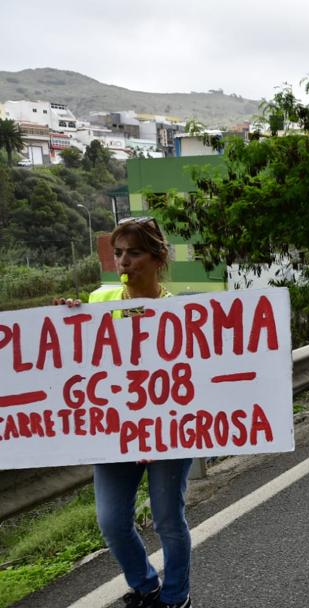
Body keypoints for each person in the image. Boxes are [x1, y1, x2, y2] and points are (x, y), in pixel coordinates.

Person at [55, 217, 192, 608]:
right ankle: (145, 586)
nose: (124, 262)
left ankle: (176, 596)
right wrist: (65, 316)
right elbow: (71, 351)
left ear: (157, 257)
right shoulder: (99, 301)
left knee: (167, 519)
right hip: (113, 432)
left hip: (167, 433)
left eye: (134, 253)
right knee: (112, 522)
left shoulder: (179, 312)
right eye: (118, 254)